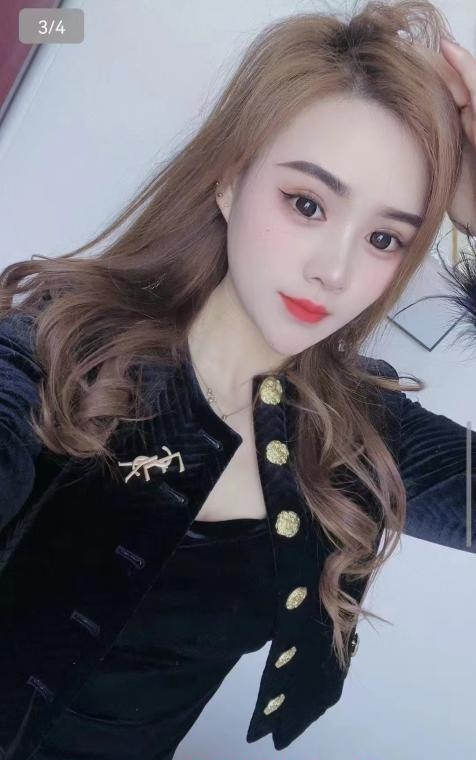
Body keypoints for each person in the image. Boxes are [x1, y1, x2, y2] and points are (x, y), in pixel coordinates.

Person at [0, 0, 475, 758]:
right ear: (230, 180)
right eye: (307, 203)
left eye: (385, 238)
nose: (335, 270)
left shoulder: (361, 432)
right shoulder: (55, 347)